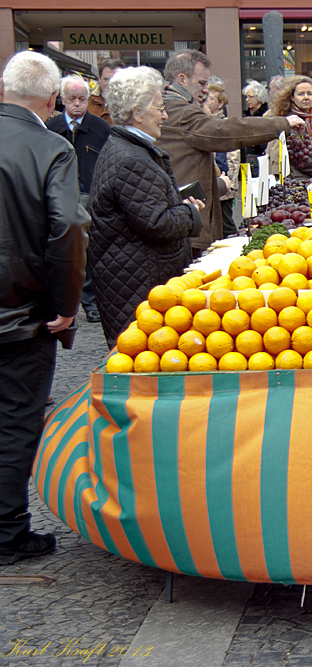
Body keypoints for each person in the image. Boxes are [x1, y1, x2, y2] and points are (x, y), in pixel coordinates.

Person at [0, 51, 90, 565]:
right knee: (16, 418)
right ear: (53, 98)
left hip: (19, 306)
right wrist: (65, 305)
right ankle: (8, 530)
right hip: (21, 311)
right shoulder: (50, 147)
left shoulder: (49, 144)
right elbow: (68, 229)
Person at [88, 67, 205, 349]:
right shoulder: (131, 158)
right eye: (159, 108)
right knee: (143, 359)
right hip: (137, 281)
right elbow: (157, 223)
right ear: (138, 113)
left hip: (132, 275)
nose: (164, 115)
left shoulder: (128, 150)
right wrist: (191, 213)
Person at [156, 50, 302, 255]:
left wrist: (216, 185)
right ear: (182, 79)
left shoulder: (169, 107)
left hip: (179, 213)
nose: (205, 90)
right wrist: (281, 123)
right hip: (187, 221)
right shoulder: (182, 111)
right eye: (201, 83)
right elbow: (224, 133)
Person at [45, 74, 111, 324]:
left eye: (82, 99)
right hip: (59, 197)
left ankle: (91, 303)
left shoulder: (100, 127)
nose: (77, 105)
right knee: (61, 252)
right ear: (62, 100)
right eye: (72, 99)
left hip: (91, 196)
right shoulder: (51, 129)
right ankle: (64, 305)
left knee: (89, 252)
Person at [267, 76, 312, 180]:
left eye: (309, 93)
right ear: (292, 97)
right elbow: (296, 161)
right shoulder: (287, 122)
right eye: (301, 94)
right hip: (295, 182)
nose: (306, 97)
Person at [203, 82, 239, 238]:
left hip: (224, 180)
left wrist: (230, 181)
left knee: (226, 221)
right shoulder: (205, 123)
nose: (207, 102)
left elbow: (233, 157)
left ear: (220, 103)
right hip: (216, 181)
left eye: (211, 99)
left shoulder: (225, 124)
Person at [242, 80, 270, 173]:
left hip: (260, 157)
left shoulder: (266, 115)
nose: (247, 100)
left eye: (250, 97)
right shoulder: (247, 115)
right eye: (246, 97)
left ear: (259, 98)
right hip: (247, 157)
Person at [87, 57, 123, 124]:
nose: (111, 83)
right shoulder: (87, 100)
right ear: (99, 79)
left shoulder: (130, 104)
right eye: (107, 79)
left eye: (115, 80)